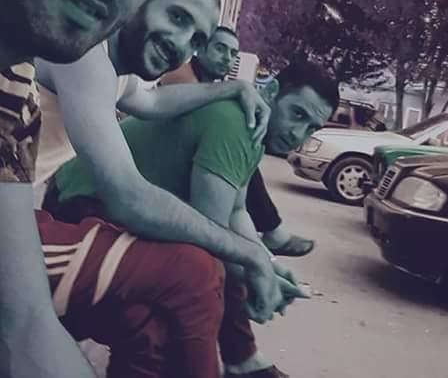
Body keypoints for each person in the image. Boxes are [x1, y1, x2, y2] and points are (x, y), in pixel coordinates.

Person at [34, 0, 294, 377]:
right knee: (195, 270)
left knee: (146, 326)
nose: (181, 44)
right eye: (177, 17)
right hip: (21, 226)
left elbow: (152, 102)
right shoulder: (86, 54)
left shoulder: (116, 71)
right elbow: (129, 198)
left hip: (30, 214)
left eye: (197, 40)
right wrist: (252, 254)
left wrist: (232, 87)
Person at [0, 0, 191, 375]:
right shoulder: (78, 66)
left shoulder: (15, 85)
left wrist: (230, 92)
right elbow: (128, 195)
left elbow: (24, 323)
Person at [48, 61, 339, 378]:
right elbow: (212, 232)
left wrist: (268, 265)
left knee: (191, 291)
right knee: (176, 304)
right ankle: (240, 359)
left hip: (114, 208)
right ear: (271, 92)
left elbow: (237, 212)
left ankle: (240, 359)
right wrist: (258, 273)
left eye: (311, 127)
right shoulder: (236, 122)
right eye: (297, 114)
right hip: (78, 205)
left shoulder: (254, 128)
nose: (298, 133)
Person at [162, 29, 315, 256]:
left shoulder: (210, 82)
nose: (227, 58)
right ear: (200, 49)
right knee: (237, 153)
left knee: (242, 160)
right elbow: (208, 119)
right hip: (160, 163)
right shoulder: (181, 76)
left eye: (233, 53)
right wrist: (238, 89)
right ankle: (271, 232)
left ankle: (269, 235)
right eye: (220, 48)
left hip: (187, 157)